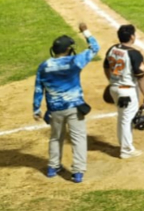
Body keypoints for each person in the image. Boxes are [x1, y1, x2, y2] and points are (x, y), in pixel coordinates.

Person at [33, 21, 100, 183]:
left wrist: (36, 109)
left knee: (56, 137)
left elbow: (38, 89)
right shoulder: (74, 61)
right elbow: (95, 48)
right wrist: (85, 32)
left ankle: (52, 167)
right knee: (78, 139)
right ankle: (77, 172)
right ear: (68, 49)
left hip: (54, 109)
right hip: (74, 108)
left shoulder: (44, 66)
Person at [104, 24, 144, 159]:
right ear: (132, 37)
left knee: (122, 117)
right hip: (127, 91)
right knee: (127, 119)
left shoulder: (112, 49)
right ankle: (126, 150)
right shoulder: (134, 54)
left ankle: (124, 146)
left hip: (114, 89)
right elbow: (140, 77)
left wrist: (111, 82)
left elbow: (106, 67)